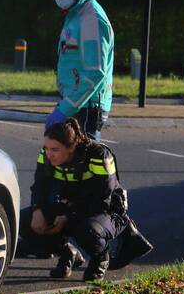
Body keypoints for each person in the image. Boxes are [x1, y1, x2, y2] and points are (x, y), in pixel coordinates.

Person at [17, 118, 152, 282]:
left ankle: (100, 259)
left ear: (72, 147)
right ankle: (68, 253)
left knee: (87, 231)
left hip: (105, 210)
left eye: (55, 149)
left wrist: (68, 216)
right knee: (23, 221)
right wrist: (38, 211)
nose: (49, 154)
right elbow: (39, 186)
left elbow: (102, 199)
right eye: (46, 148)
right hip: (67, 206)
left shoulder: (98, 155)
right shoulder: (46, 155)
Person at [45, 0, 114, 140]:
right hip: (76, 104)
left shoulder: (90, 19)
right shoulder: (75, 14)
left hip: (86, 106)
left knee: (82, 163)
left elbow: (94, 74)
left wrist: (64, 110)